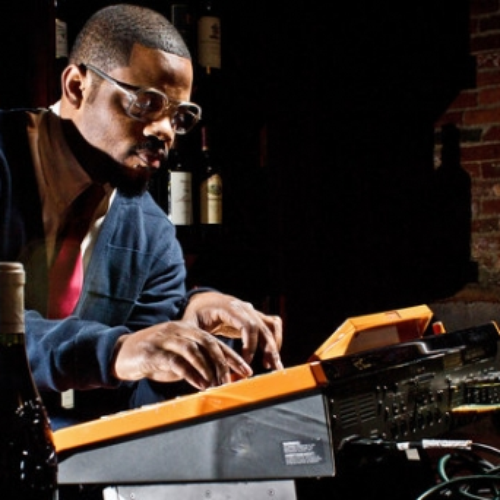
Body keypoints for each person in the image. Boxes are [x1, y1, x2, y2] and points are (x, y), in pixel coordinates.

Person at [0, 3, 283, 430]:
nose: (165, 131)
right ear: (76, 86)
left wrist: (191, 330)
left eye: (178, 116)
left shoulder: (153, 234)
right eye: (147, 103)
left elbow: (136, 404)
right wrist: (116, 351)